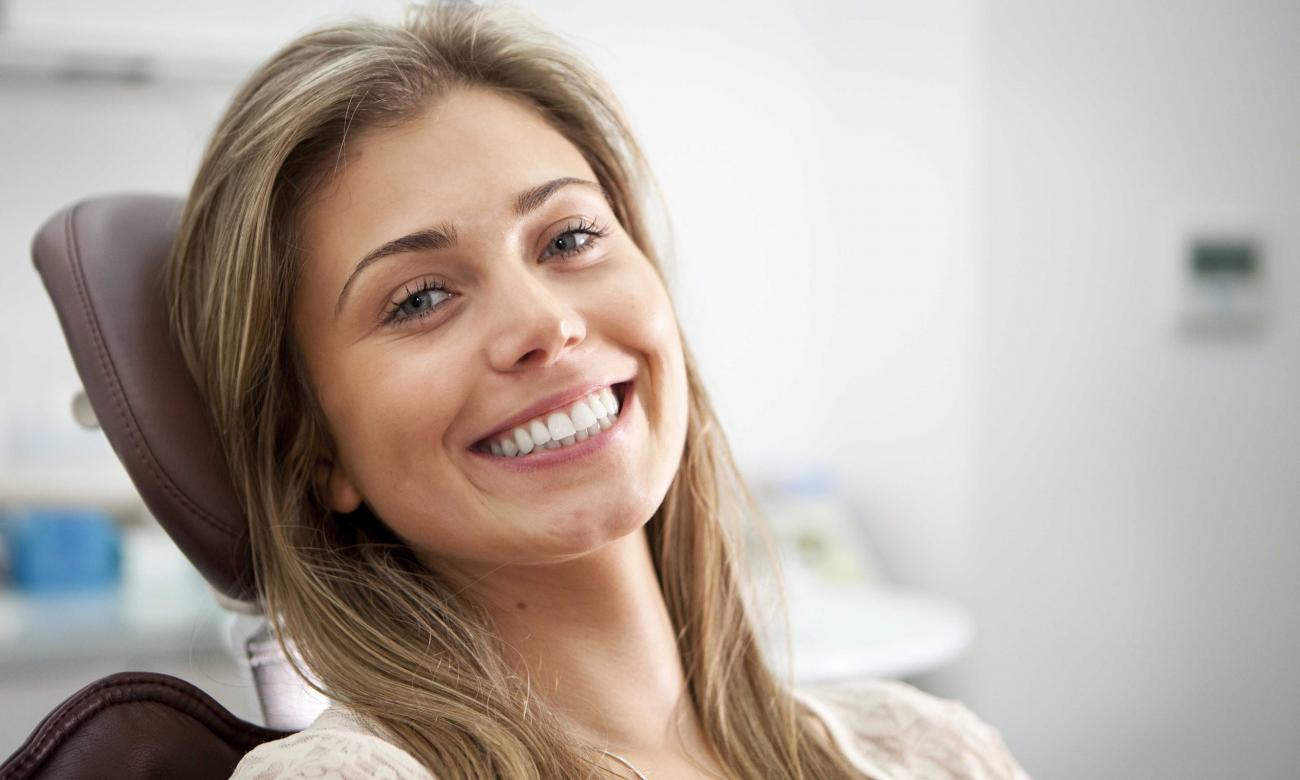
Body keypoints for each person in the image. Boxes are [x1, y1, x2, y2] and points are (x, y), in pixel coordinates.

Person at [165, 2, 1030, 778]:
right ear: (310, 446)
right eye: (421, 298)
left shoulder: (925, 750)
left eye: (570, 237)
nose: (545, 323)